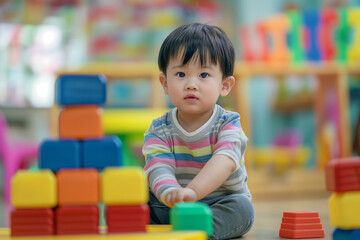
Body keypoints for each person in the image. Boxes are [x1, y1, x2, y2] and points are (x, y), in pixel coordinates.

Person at [142, 23, 255, 239]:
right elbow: (158, 167)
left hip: (217, 203)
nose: (191, 84)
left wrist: (193, 192)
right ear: (165, 83)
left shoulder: (229, 123)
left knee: (243, 208)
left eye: (203, 75)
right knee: (133, 200)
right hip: (172, 204)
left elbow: (224, 161)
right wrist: (171, 194)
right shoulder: (159, 129)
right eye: (181, 74)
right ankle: (172, 229)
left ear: (225, 85)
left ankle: (197, 232)